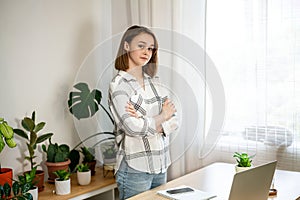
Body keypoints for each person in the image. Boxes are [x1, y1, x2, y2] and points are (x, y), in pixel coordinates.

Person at [108, 25, 179, 199]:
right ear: (126, 46)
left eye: (150, 48)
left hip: (160, 164)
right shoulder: (119, 85)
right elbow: (132, 128)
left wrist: (144, 120)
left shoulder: (155, 82)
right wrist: (162, 117)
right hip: (135, 169)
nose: (147, 52)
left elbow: (175, 119)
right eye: (141, 45)